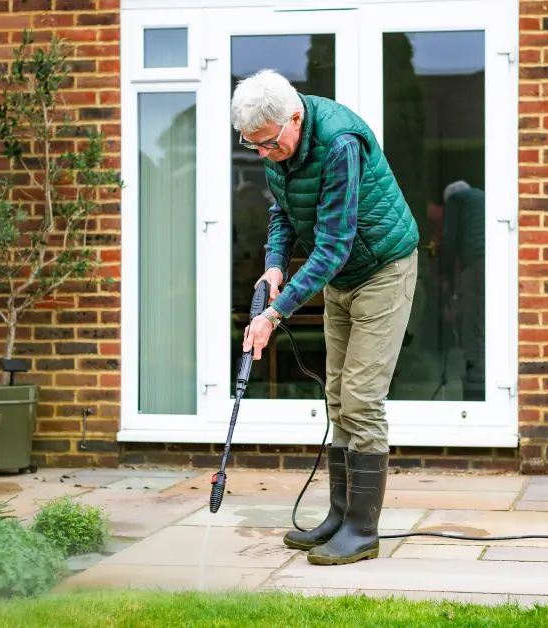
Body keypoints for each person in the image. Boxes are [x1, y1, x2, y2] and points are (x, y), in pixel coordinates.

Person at [232, 69, 419, 566]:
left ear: (294, 118)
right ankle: (339, 516)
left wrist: (274, 313)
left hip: (381, 268)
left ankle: (363, 529)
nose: (264, 155)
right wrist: (274, 264)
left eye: (269, 144)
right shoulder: (278, 144)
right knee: (337, 394)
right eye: (254, 148)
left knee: (361, 397)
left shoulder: (339, 142)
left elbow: (333, 243)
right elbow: (283, 213)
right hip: (339, 275)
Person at [438, 181, 485, 401]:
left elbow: (450, 240)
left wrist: (444, 279)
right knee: (484, 318)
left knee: (472, 319)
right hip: (491, 259)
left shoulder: (456, 201)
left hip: (476, 262)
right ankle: (484, 372)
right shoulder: (480, 198)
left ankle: (477, 377)